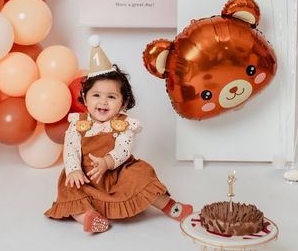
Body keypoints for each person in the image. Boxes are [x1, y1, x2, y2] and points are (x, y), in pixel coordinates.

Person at [44, 35, 193, 234]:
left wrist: (107, 162)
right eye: (96, 95)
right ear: (85, 99)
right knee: (70, 190)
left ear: (122, 103)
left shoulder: (124, 125)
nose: (103, 102)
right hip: (86, 176)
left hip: (116, 173)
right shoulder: (77, 125)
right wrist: (73, 170)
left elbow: (124, 149)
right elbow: (71, 148)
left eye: (111, 97)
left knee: (140, 175)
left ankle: (169, 206)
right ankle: (89, 218)